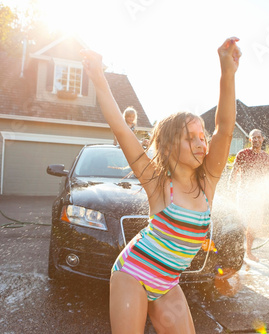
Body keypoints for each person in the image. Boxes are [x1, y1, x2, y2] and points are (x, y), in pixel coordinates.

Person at [81, 37, 241, 334]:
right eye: (189, 137)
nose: (200, 142)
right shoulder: (157, 182)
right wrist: (98, 76)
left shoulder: (208, 183)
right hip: (133, 273)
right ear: (168, 147)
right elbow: (120, 127)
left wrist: (227, 72)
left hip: (167, 283)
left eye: (201, 136)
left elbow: (225, 128)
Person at [229, 129, 269, 263]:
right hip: (244, 193)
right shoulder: (242, 154)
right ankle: (238, 251)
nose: (256, 140)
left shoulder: (266, 157)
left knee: (253, 225)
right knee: (242, 222)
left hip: (258, 195)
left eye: (258, 137)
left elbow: (268, 178)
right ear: (249, 139)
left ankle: (248, 252)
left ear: (262, 139)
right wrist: (230, 189)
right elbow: (233, 173)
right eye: (253, 138)